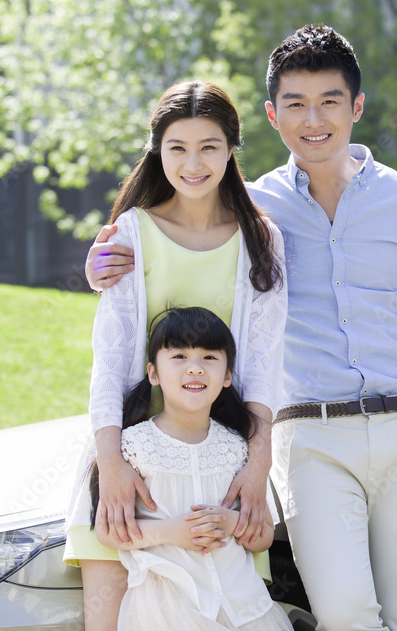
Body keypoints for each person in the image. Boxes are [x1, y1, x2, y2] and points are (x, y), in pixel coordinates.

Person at [86, 25, 397, 631]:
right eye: (296, 104)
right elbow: (184, 238)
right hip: (313, 439)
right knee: (349, 614)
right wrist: (101, 262)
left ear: (356, 107)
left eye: (330, 101)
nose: (314, 119)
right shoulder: (255, 212)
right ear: (273, 115)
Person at [65, 81, 287, 631]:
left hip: (219, 466)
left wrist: (257, 472)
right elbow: (111, 360)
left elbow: (262, 365)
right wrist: (110, 466)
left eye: (209, 146)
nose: (193, 163)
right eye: (177, 147)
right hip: (132, 459)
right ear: (156, 151)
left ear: (233, 148)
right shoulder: (130, 234)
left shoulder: (262, 239)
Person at [93, 306, 293, 630]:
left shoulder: (239, 449)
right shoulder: (132, 446)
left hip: (243, 609)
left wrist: (231, 524)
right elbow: (106, 532)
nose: (196, 369)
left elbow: (265, 536)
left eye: (209, 358)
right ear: (153, 373)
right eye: (180, 357)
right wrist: (170, 533)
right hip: (167, 611)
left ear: (228, 376)